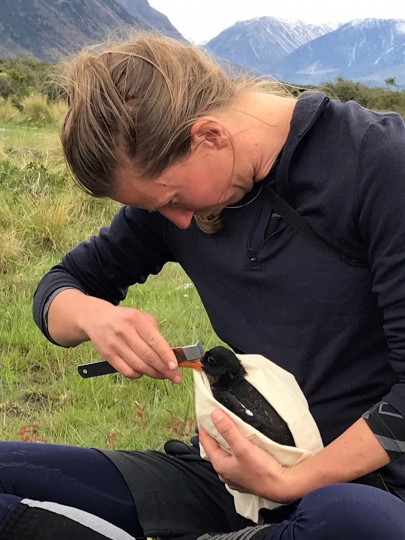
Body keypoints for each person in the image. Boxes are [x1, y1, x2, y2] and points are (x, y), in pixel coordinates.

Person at [1, 32, 405, 539]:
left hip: (365, 492)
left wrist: (290, 480)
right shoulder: (176, 203)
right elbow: (59, 289)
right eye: (155, 210)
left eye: (172, 198)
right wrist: (93, 316)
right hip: (231, 481)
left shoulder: (376, 162)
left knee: (356, 525)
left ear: (210, 136)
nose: (177, 221)